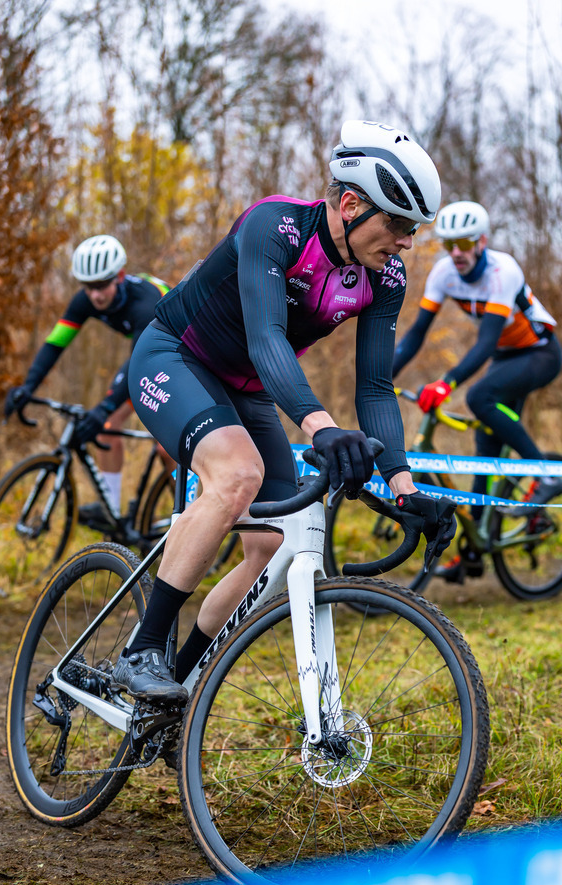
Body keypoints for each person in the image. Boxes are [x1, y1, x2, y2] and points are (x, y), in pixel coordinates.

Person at [112, 118, 456, 704]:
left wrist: (404, 487)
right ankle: (142, 649)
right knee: (239, 475)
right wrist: (320, 427)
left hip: (245, 389)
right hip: (174, 355)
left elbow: (374, 387)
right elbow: (267, 336)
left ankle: (178, 685)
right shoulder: (275, 226)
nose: (406, 241)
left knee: (268, 547)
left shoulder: (384, 277)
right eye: (399, 224)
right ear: (350, 204)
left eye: (413, 229)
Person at [392, 200, 562, 584]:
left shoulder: (504, 271)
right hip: (506, 357)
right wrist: (381, 375)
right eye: (449, 243)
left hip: (540, 352)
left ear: (482, 241)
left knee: (478, 398)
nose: (457, 253)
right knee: (486, 450)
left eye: (465, 244)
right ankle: (474, 551)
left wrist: (446, 382)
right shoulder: (443, 273)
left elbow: (485, 342)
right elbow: (417, 332)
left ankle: (546, 474)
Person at [3, 235, 170, 524]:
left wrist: (105, 406)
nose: (95, 295)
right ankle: (112, 513)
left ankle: (191, 518)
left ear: (119, 276)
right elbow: (55, 344)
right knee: (106, 427)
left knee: (167, 447)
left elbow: (141, 364)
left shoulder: (145, 302)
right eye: (88, 287)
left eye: (102, 285)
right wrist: (28, 386)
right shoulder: (85, 301)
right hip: (148, 353)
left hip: (182, 350)